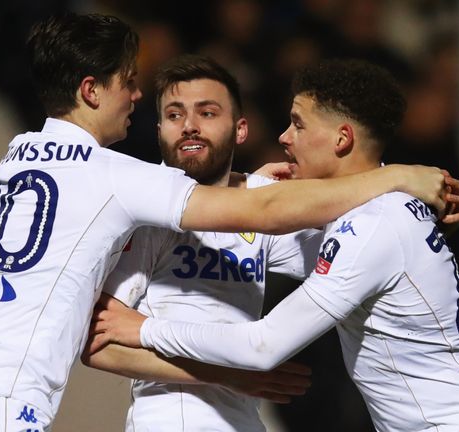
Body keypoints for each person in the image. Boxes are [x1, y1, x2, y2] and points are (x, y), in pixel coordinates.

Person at [90, 59, 459, 431]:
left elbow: (265, 345)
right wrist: (249, 186)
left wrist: (145, 328)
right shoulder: (388, 214)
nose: (284, 137)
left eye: (298, 124)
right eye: (173, 114)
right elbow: (99, 342)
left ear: (340, 139)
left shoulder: (371, 227)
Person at [82, 54, 330, 431]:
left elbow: (345, 254)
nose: (190, 127)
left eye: (208, 113)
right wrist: (225, 374)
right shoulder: (147, 209)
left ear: (240, 129)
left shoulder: (259, 206)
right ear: (160, 129)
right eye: (175, 115)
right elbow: (97, 344)